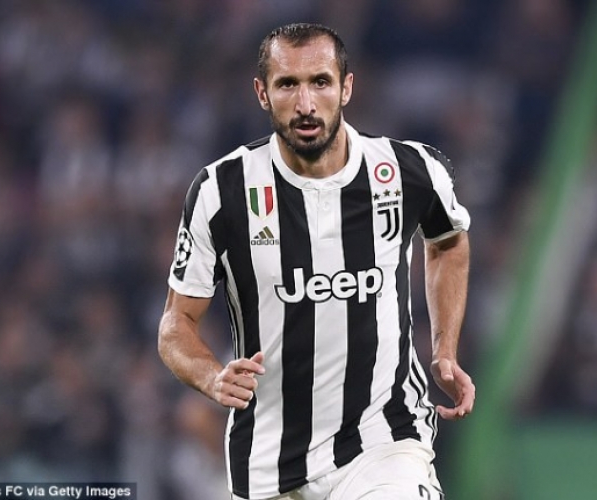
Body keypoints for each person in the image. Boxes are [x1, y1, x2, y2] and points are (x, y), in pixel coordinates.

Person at [158, 22, 475, 500]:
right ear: (262, 93)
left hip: (384, 441)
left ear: (346, 87)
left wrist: (444, 350)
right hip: (268, 461)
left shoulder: (407, 171)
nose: (305, 104)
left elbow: (448, 242)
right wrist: (211, 376)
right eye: (288, 84)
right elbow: (175, 323)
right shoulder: (221, 192)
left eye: (320, 82)